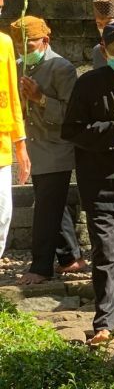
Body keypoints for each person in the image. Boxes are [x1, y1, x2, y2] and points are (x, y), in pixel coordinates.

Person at [62, 19, 114, 345]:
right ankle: (103, 322)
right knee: (107, 253)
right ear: (104, 49)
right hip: (101, 183)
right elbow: (71, 131)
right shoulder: (89, 84)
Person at [13, 16, 85, 285]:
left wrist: (40, 98)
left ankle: (41, 267)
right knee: (52, 202)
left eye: (29, 47)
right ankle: (70, 257)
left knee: (45, 207)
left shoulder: (61, 68)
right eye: (20, 48)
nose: (24, 53)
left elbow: (72, 114)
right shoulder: (20, 67)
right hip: (34, 147)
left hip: (57, 148)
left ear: (45, 40)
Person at [0, 13, 29, 259]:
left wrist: (20, 142)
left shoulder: (5, 43)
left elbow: (11, 95)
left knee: (3, 211)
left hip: (1, 146)